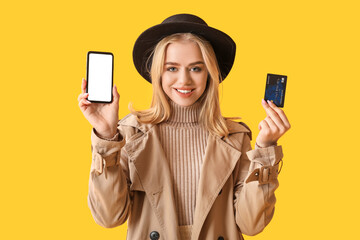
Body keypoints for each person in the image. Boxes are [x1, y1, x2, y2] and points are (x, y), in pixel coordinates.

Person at [78, 14, 290, 240]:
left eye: (196, 69)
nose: (184, 80)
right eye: (172, 68)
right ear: (157, 72)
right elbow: (109, 217)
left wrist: (265, 150)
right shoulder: (130, 133)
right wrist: (106, 137)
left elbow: (251, 224)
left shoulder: (234, 137)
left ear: (210, 73)